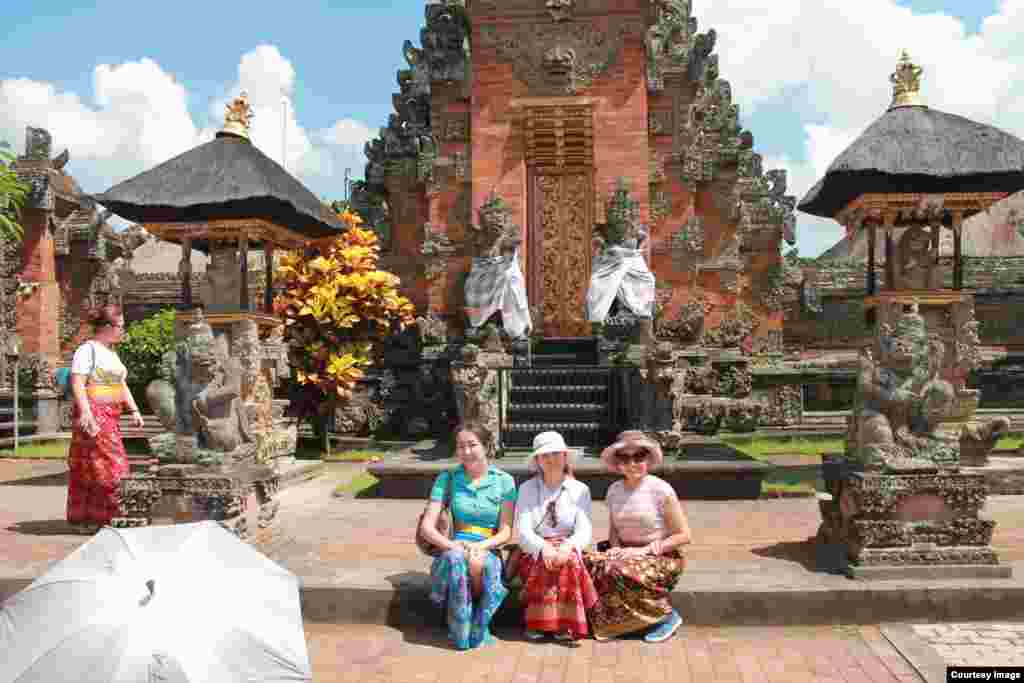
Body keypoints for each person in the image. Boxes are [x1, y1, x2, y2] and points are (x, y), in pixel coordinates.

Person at [584, 430, 691, 643]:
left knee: (616, 569)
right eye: (625, 458)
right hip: (626, 552)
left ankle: (666, 617)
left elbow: (684, 535)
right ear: (617, 463)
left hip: (660, 555)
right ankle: (621, 623)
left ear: (648, 459)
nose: (632, 463)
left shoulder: (661, 490)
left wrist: (642, 551)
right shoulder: (614, 490)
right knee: (588, 563)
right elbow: (615, 527)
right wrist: (615, 547)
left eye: (638, 457)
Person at [418, 421, 516, 649]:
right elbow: (427, 527)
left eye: (472, 445)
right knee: (456, 559)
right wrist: (451, 545)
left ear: (486, 446)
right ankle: (460, 627)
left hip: (488, 545)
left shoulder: (504, 481)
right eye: (461, 446)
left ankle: (478, 624)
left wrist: (481, 547)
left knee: (482, 563)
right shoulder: (448, 478)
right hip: (454, 545)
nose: (466, 451)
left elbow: (506, 532)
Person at [66, 304, 145, 534]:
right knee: (113, 464)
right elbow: (78, 383)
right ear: (107, 327)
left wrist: (134, 410)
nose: (123, 331)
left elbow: (121, 384)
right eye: (121, 326)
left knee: (93, 466)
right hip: (94, 414)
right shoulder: (87, 350)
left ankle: (95, 517)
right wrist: (86, 412)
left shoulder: (111, 352)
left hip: (111, 414)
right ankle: (116, 513)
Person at [514, 431, 597, 645]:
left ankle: (565, 624)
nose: (551, 459)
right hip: (535, 548)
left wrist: (568, 546)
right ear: (537, 460)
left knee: (569, 560)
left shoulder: (580, 490)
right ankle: (538, 623)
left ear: (565, 456)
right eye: (545, 455)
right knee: (544, 561)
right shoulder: (526, 489)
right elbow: (523, 531)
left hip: (568, 545)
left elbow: (584, 530)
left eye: (556, 454)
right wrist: (543, 547)